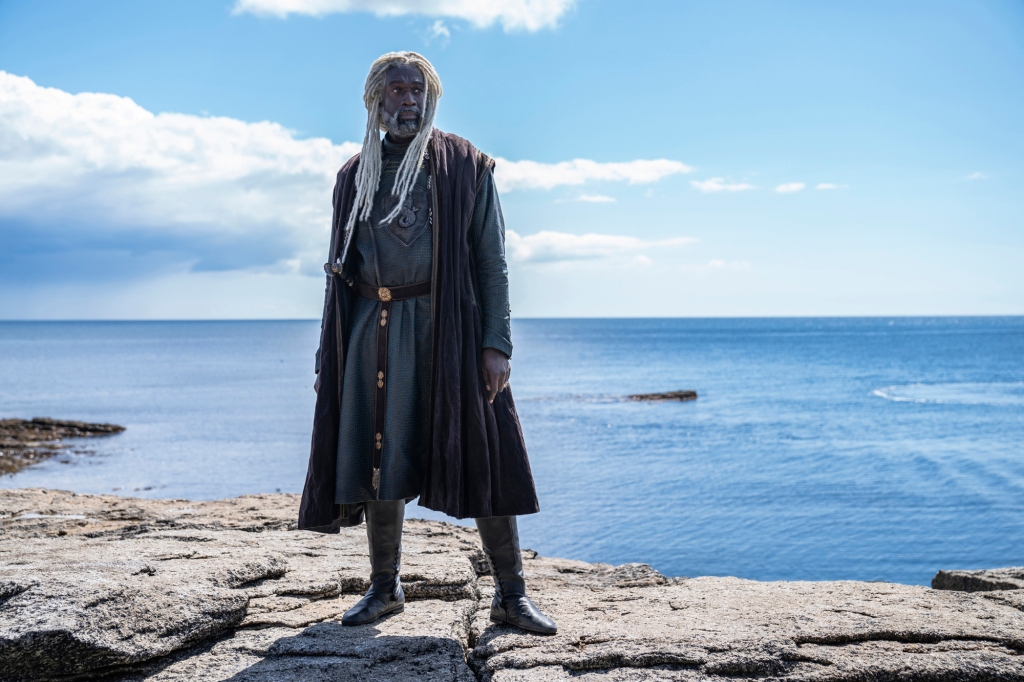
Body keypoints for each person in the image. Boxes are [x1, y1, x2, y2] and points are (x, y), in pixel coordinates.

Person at [297, 51, 556, 635]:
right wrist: (328, 355)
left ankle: (510, 595)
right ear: (375, 99)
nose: (408, 100)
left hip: (451, 335)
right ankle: (384, 590)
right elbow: (341, 270)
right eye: (396, 90)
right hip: (371, 334)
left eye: (417, 90)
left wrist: (498, 344)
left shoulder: (465, 164)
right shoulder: (353, 175)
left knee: (484, 453)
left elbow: (491, 262)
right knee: (378, 456)